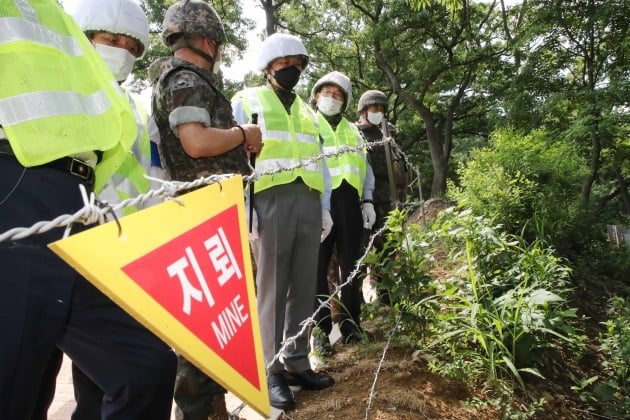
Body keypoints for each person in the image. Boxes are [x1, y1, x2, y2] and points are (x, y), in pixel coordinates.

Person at [0, 1, 177, 420]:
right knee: (19, 383)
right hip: (18, 187)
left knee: (146, 367)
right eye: (111, 41)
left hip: (86, 213)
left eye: (131, 47)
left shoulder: (56, 19)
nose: (121, 52)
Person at [151, 1, 263, 419]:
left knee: (222, 320)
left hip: (214, 211)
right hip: (204, 215)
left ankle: (213, 408)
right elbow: (196, 143)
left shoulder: (184, 79)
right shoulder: (185, 78)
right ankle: (199, 412)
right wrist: (243, 133)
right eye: (216, 43)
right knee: (207, 325)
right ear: (206, 40)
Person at [231, 32, 335, 412]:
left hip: (307, 197)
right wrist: (246, 208)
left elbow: (320, 160)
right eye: (286, 63)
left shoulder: (309, 112)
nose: (294, 70)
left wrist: (324, 206)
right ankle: (270, 369)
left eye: (299, 64)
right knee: (272, 287)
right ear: (270, 65)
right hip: (269, 198)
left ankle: (296, 361)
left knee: (304, 284)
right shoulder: (247, 100)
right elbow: (237, 158)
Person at [309, 71, 376, 355]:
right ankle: (320, 332)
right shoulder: (306, 122)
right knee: (317, 267)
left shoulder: (353, 130)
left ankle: (351, 326)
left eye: (338, 95)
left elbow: (365, 167)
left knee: (352, 265)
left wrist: (368, 200)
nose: (331, 98)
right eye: (327, 92)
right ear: (316, 95)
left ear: (345, 101)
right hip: (316, 198)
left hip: (349, 200)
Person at [355, 90, 409, 303]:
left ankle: (385, 293)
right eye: (374, 108)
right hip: (362, 200)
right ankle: (357, 299)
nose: (378, 112)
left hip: (387, 199)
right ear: (363, 110)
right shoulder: (354, 133)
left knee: (386, 247)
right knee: (360, 251)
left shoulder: (387, 134)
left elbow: (399, 166)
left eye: (381, 109)